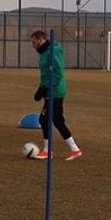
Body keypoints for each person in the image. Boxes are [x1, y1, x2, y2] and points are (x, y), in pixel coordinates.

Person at [30, 30, 82, 161]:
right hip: (50, 90)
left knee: (45, 119)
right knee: (57, 120)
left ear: (41, 40)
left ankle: (48, 151)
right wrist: (40, 89)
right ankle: (74, 149)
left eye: (34, 42)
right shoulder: (44, 53)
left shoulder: (52, 52)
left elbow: (58, 72)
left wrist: (47, 87)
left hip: (55, 91)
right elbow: (46, 74)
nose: (33, 45)